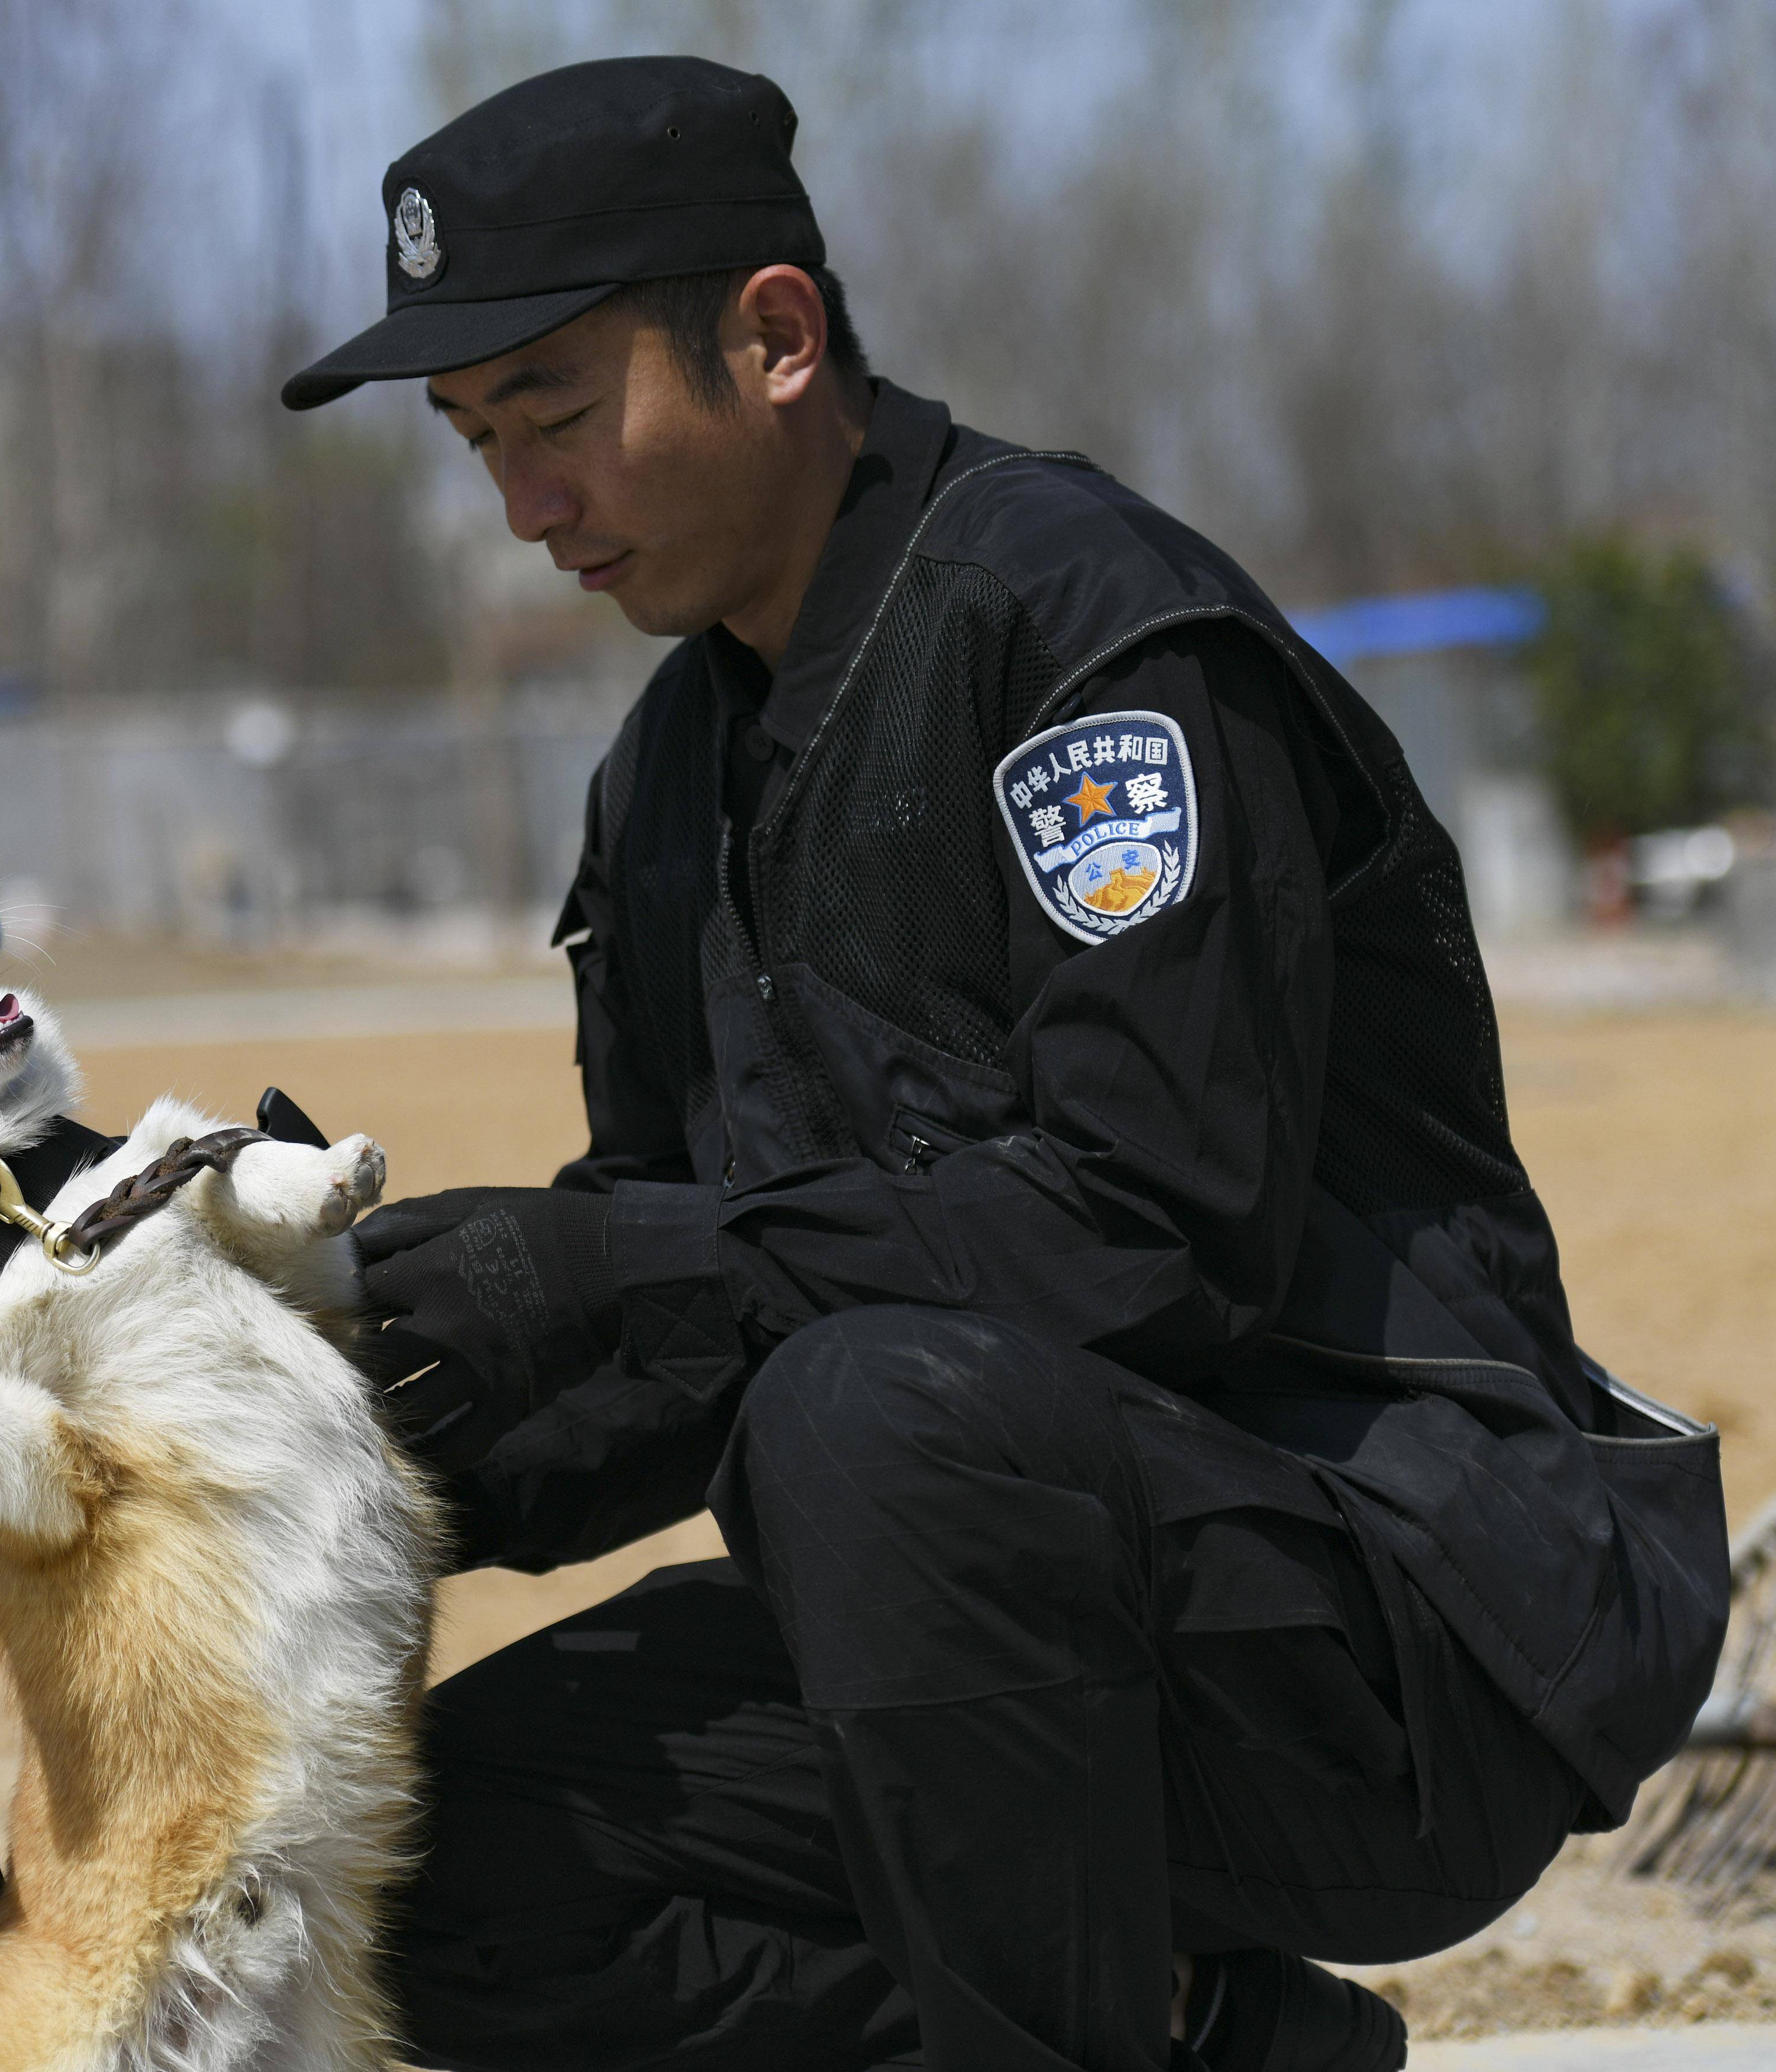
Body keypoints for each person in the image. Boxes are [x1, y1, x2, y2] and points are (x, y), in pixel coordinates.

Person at [280, 55, 1730, 2072]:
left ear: (774, 338)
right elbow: (685, 1324)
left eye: (556, 416)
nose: (525, 508)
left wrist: (622, 1265)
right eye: (474, 443)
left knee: (866, 1409)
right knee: (405, 1879)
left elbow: (1153, 1236)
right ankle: (1205, 2038)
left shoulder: (1077, 635)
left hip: (1395, 1629)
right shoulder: (668, 775)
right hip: (982, 1621)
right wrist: (273, 1431)